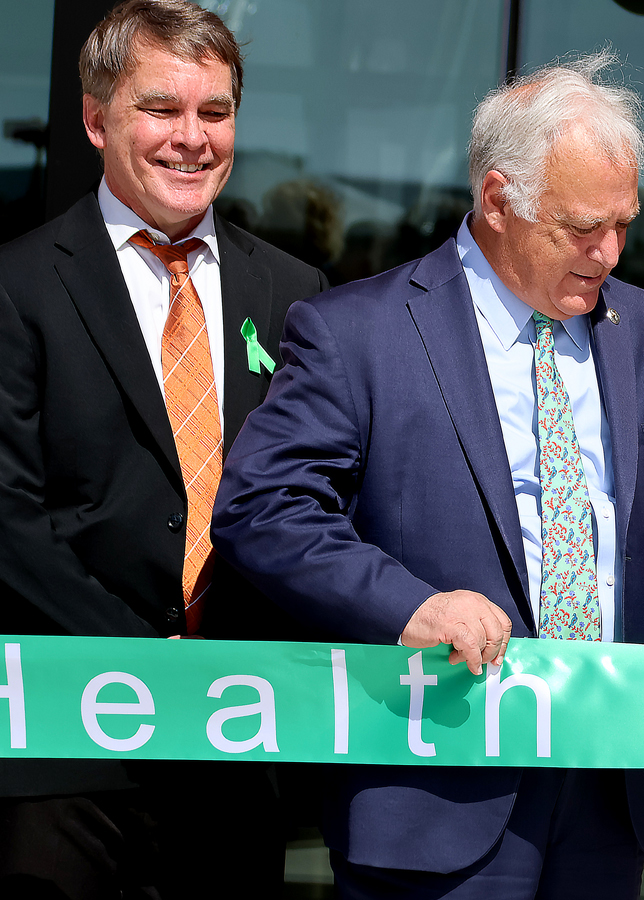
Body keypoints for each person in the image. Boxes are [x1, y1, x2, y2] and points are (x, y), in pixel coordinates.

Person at [212, 51, 644, 899]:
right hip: (437, 775)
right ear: (497, 198)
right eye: (582, 226)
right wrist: (409, 605)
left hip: (610, 769)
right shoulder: (359, 332)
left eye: (624, 223)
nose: (609, 252)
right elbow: (263, 508)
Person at [0, 1, 327, 897]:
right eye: (161, 109)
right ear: (97, 118)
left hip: (236, 741)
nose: (192, 138)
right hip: (69, 748)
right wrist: (148, 667)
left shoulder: (296, 295)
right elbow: (10, 524)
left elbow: (316, 501)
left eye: (214, 112)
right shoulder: (17, 286)